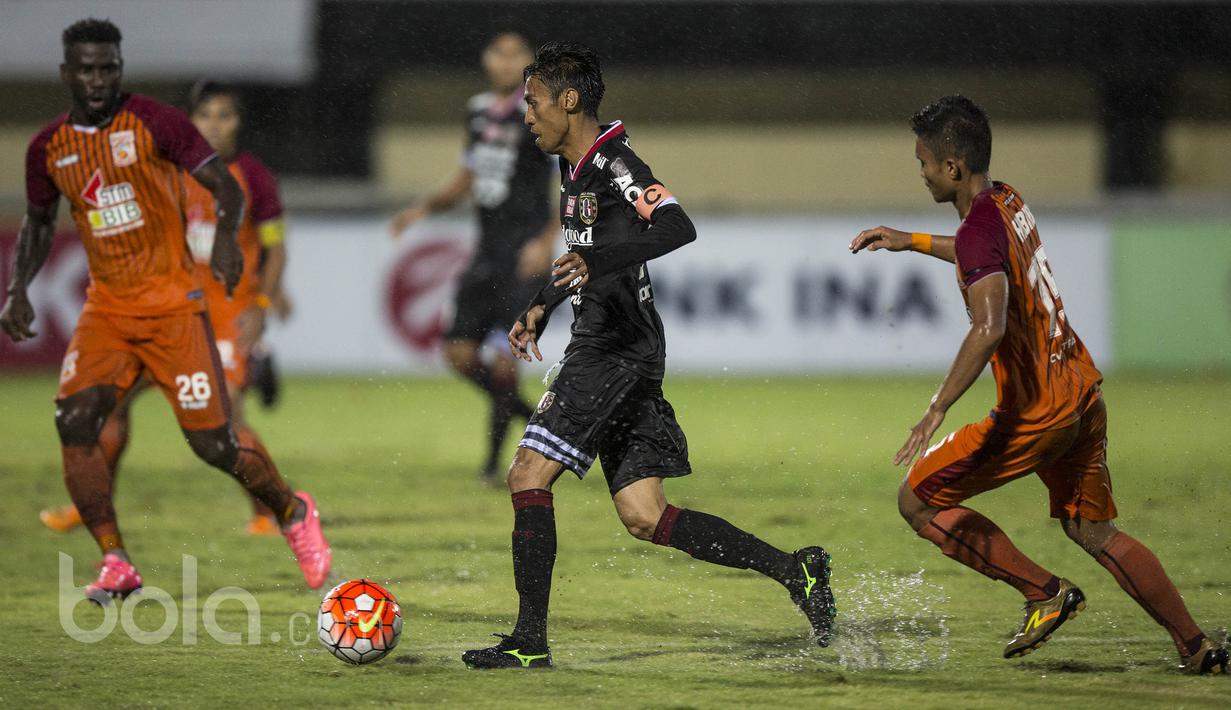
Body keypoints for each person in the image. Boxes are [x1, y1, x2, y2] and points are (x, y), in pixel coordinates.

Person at [461, 41, 836, 670]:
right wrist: (540, 306)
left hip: (612, 347)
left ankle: (530, 641)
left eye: (533, 101)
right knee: (644, 513)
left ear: (569, 100)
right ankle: (796, 571)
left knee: (527, 475)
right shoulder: (573, 168)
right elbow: (581, 255)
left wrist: (599, 260)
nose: (526, 114)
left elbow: (676, 226)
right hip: (620, 345)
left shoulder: (614, 164)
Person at [849, 95, 1227, 675]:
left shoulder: (978, 230)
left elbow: (988, 325)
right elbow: (984, 254)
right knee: (1094, 530)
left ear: (951, 168)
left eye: (923, 161)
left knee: (917, 502)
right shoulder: (1006, 199)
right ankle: (1196, 645)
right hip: (1080, 390)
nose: (920, 171)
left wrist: (937, 406)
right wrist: (915, 240)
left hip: (1036, 413)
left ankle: (1043, 593)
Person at [0, 19, 330, 602]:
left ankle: (290, 510)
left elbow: (224, 189)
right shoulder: (48, 146)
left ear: (119, 69)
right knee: (75, 420)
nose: (98, 79)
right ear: (65, 73)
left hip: (176, 310)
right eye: (86, 69)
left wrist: (228, 241)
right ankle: (116, 559)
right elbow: (38, 221)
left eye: (108, 68)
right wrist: (18, 288)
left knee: (214, 445)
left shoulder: (156, 123)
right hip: (107, 312)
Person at [38, 79, 293, 537]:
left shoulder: (253, 177)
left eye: (226, 115)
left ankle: (269, 511)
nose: (215, 125)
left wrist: (262, 304)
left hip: (225, 316)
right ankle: (91, 505)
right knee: (108, 407)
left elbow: (275, 247)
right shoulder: (167, 168)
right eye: (205, 115)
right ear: (187, 121)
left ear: (240, 122)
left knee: (228, 418)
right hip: (166, 311)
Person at [391, 31, 557, 482]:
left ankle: (493, 465)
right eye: (499, 53)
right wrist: (424, 206)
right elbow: (467, 175)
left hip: (525, 252)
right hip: (486, 251)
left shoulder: (546, 109)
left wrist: (546, 239)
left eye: (516, 54)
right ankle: (542, 422)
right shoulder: (478, 109)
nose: (506, 62)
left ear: (530, 62)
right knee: (458, 352)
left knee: (506, 359)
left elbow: (570, 179)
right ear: (486, 59)